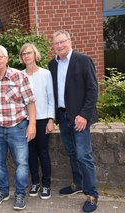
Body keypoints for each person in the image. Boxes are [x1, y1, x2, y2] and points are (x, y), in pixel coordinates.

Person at [48, 30, 99, 212]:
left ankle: (92, 195)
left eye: (63, 41)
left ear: (70, 41)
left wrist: (84, 115)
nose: (60, 45)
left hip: (80, 118)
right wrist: (52, 117)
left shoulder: (83, 60)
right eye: (56, 43)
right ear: (53, 45)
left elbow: (93, 90)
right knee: (71, 152)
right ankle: (77, 184)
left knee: (84, 156)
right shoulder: (52, 65)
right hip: (63, 116)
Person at [0, 45, 36, 210]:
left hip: (17, 127)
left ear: (6, 59)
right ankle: (3, 191)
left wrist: (32, 125)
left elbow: (31, 102)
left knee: (21, 162)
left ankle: (20, 194)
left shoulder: (19, 76)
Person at [19, 43, 55, 200]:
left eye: (29, 53)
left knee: (43, 152)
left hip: (42, 119)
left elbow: (51, 98)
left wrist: (51, 119)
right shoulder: (19, 75)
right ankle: (35, 183)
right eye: (23, 54)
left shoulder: (45, 74)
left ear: (35, 55)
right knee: (30, 154)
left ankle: (46, 185)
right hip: (24, 120)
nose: (26, 56)